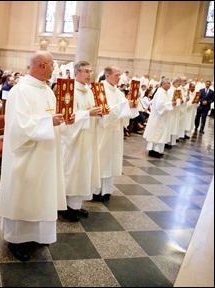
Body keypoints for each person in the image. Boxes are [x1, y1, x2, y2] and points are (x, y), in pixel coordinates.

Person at [0, 51, 71, 262]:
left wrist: (64, 119)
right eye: (51, 65)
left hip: (45, 154)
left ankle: (37, 235)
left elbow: (53, 117)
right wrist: (49, 122)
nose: (53, 69)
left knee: (40, 195)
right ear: (41, 65)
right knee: (24, 196)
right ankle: (17, 240)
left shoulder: (47, 90)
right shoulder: (20, 91)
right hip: (27, 155)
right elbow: (18, 127)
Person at [59, 61, 102, 222]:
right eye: (86, 71)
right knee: (72, 172)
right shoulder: (70, 90)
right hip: (74, 139)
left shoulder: (89, 90)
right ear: (76, 72)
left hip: (88, 136)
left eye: (91, 71)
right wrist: (88, 113)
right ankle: (65, 207)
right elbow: (67, 116)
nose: (89, 74)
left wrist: (98, 112)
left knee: (83, 171)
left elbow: (90, 110)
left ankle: (75, 205)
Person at [92, 66, 137, 201]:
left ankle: (106, 190)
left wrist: (130, 105)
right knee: (102, 159)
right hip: (104, 131)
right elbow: (103, 112)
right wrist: (124, 106)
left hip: (116, 131)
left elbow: (125, 111)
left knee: (112, 159)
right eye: (117, 75)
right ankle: (96, 190)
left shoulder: (118, 92)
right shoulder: (99, 89)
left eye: (119, 75)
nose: (119, 78)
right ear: (107, 75)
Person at [143, 77, 173, 158]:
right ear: (163, 84)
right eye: (168, 83)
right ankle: (153, 151)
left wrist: (170, 103)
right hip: (158, 117)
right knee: (156, 134)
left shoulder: (165, 93)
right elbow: (159, 106)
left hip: (163, 117)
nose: (170, 85)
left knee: (160, 134)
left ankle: (158, 150)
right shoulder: (160, 93)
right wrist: (170, 104)